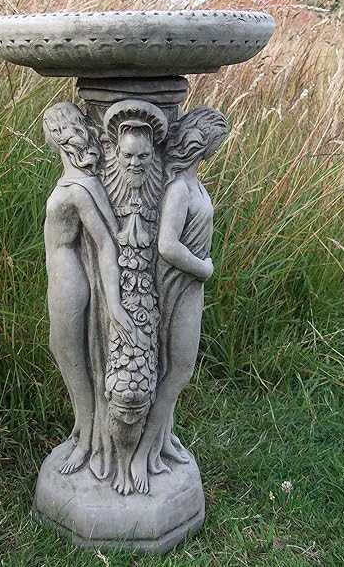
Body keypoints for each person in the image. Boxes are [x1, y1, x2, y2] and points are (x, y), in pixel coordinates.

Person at [131, 106, 228, 493]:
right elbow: (167, 245)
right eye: (216, 141)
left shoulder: (193, 184)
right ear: (202, 144)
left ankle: (163, 440)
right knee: (177, 371)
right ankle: (140, 455)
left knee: (172, 369)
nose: (218, 148)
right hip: (180, 285)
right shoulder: (178, 190)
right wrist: (202, 268)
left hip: (192, 285)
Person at [43, 103, 135, 475]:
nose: (52, 135)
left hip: (69, 278)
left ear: (61, 136)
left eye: (54, 128)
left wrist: (114, 303)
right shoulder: (78, 183)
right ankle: (84, 429)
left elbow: (107, 243)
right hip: (62, 275)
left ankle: (87, 440)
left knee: (73, 355)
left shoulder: (80, 189)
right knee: (65, 352)